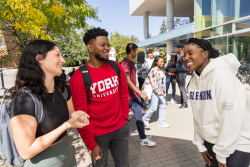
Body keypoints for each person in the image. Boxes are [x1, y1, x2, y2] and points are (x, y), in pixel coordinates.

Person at [9, 40, 89, 167]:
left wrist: (78, 116)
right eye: (57, 55)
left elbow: (71, 115)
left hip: (69, 157)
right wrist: (66, 126)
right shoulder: (24, 100)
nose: (63, 60)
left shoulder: (63, 88)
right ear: (39, 58)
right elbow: (25, 152)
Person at [69, 28, 130, 167]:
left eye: (108, 45)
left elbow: (123, 94)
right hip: (97, 135)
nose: (107, 48)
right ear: (90, 47)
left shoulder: (116, 67)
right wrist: (91, 144)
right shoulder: (79, 78)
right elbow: (80, 115)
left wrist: (125, 118)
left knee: (124, 164)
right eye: (102, 45)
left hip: (120, 128)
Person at [185, 38, 250, 167]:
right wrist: (199, 143)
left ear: (205, 54)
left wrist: (222, 152)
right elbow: (197, 114)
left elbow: (231, 117)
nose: (186, 58)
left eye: (190, 53)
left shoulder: (222, 75)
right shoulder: (193, 81)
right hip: (213, 142)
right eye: (184, 54)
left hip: (236, 144)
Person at [121, 43, 156, 147]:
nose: (137, 53)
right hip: (126, 97)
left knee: (139, 117)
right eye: (136, 51)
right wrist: (141, 92)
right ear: (132, 51)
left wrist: (138, 93)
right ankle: (121, 143)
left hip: (134, 96)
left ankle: (143, 139)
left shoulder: (131, 63)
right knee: (124, 121)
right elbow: (127, 80)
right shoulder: (126, 63)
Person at [143, 56, 170, 128]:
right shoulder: (153, 70)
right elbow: (153, 83)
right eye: (160, 62)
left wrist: (164, 93)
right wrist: (158, 91)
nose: (162, 63)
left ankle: (161, 122)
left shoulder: (161, 70)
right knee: (154, 107)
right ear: (156, 62)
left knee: (163, 106)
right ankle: (145, 118)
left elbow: (163, 83)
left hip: (161, 89)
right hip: (155, 90)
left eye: (163, 62)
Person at [172, 43, 188, 109]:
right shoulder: (180, 56)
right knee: (181, 88)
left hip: (182, 75)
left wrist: (175, 69)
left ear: (179, 49)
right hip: (179, 75)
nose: (175, 50)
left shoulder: (183, 57)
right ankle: (182, 102)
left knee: (182, 88)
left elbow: (184, 68)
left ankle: (185, 103)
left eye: (176, 49)